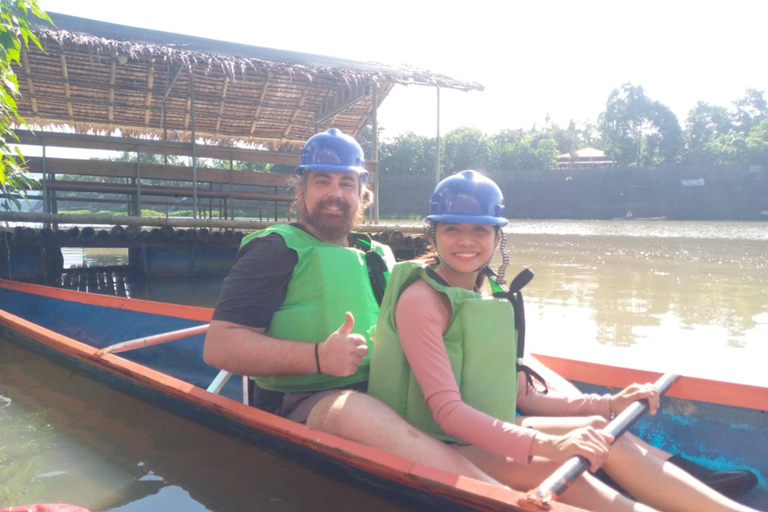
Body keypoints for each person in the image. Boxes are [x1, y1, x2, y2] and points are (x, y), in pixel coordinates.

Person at [368, 170, 761, 512]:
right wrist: (550, 445)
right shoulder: (421, 299)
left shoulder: (488, 291)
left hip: (492, 427)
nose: (465, 241)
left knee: (598, 430)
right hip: (442, 443)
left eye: (479, 229)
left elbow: (522, 394)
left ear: (497, 235)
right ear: (433, 231)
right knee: (562, 468)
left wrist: (609, 403)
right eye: (451, 228)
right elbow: (447, 414)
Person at [203, 129, 498, 483]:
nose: (335, 193)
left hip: (385, 391)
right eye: (322, 181)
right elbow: (219, 346)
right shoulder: (274, 251)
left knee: (465, 407)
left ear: (362, 195)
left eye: (347, 183)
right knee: (353, 411)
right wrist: (318, 357)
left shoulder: (378, 255)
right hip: (300, 402)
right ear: (301, 191)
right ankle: (492, 493)